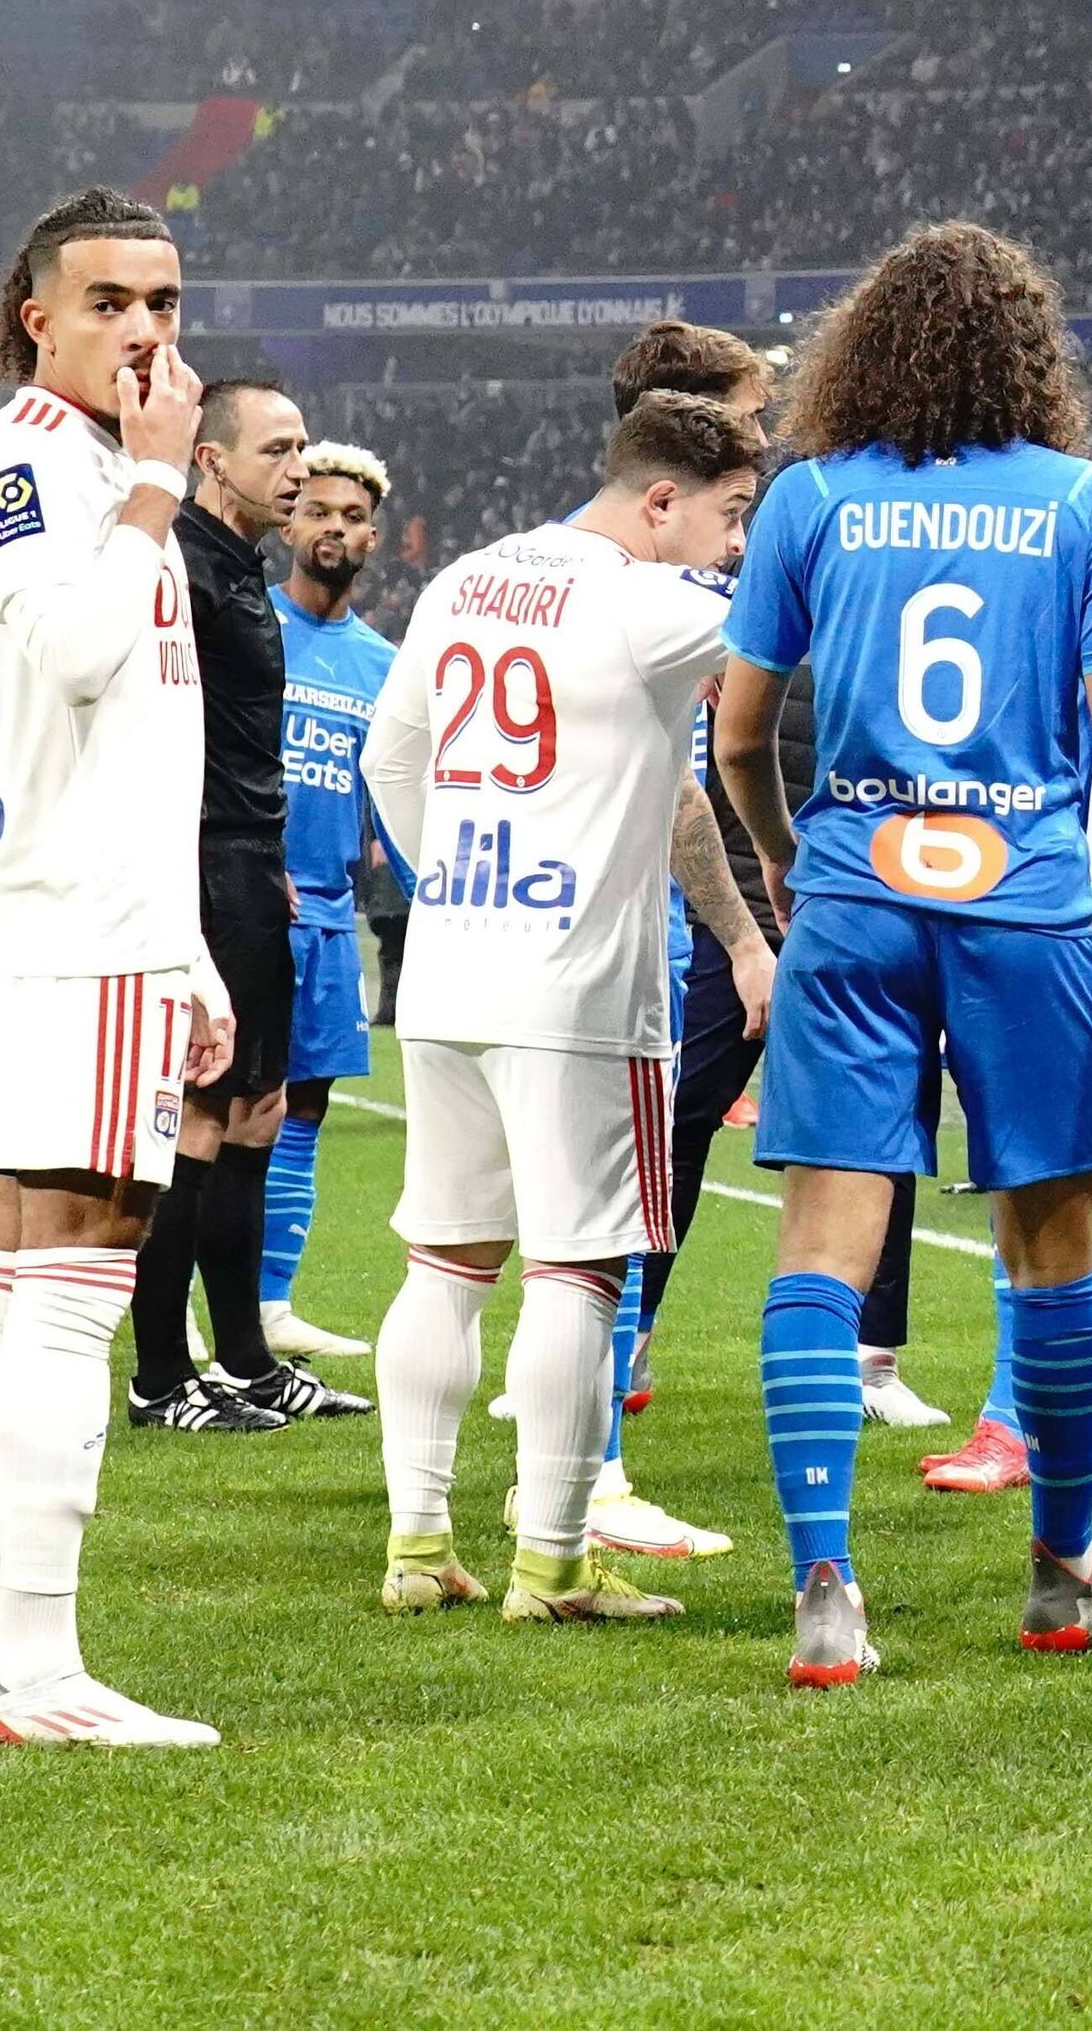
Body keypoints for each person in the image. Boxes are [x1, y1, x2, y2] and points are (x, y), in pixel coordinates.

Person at [715, 221, 1092, 1691]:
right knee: (1051, 1252)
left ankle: (824, 1590)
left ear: (865, 346)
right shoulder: (1079, 502)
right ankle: (1065, 1578)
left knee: (821, 1244)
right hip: (1025, 906)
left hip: (858, 898)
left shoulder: (809, 497)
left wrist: (783, 850)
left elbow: (740, 731)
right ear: (1029, 354)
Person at [359, 393, 775, 1627]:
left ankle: (417, 1546)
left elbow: (394, 756)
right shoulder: (651, 603)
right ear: (662, 501)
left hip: (449, 974)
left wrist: (461, 887)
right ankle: (551, 1561)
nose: (735, 544)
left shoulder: (464, 583)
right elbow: (799, 632)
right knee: (579, 1269)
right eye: (730, 514)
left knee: (443, 1260)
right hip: (579, 988)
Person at [0, 186, 232, 1748]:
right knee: (73, 1288)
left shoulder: (96, 470)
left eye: (165, 303)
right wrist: (162, 490)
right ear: (34, 313)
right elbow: (77, 655)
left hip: (75, 915)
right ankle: (45, 1667)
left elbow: (125, 735)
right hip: (73, 922)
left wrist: (186, 940)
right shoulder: (51, 465)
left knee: (13, 1283)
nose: (145, 330)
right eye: (110, 300)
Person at [128, 379, 362, 1434]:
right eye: (278, 448)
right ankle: (160, 1378)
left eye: (304, 445)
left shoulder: (237, 568)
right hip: (202, 860)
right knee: (197, 1116)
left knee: (256, 1107)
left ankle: (248, 1360)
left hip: (249, 861)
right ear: (212, 459)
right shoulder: (174, 561)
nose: (300, 468)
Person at [257, 438, 396, 1362]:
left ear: (373, 536)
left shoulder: (384, 664)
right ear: (289, 522)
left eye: (350, 516)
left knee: (303, 1108)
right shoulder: (244, 624)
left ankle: (270, 1303)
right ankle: (189, 1305)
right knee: (212, 1114)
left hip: (328, 915)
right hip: (239, 903)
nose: (333, 527)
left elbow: (390, 803)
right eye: (317, 510)